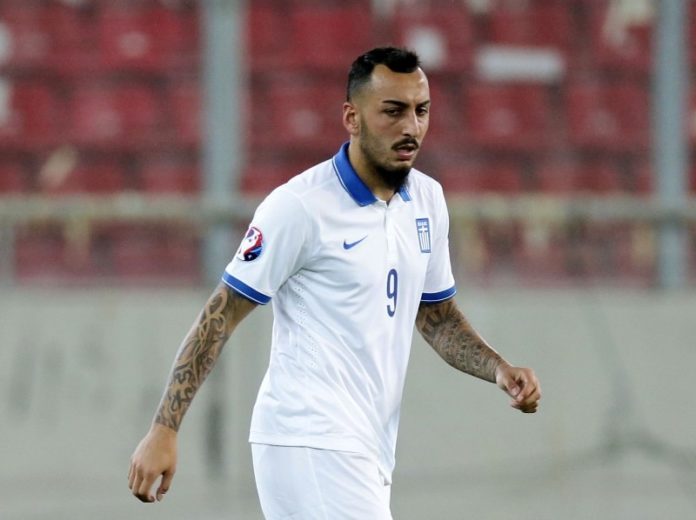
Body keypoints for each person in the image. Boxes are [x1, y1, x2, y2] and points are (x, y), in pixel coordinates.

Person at [128, 46, 541, 518]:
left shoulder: (428, 201)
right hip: (310, 438)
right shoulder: (300, 207)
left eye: (421, 111)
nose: (411, 127)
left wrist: (497, 369)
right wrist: (165, 427)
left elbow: (437, 317)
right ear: (351, 117)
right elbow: (219, 316)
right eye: (393, 111)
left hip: (367, 448)